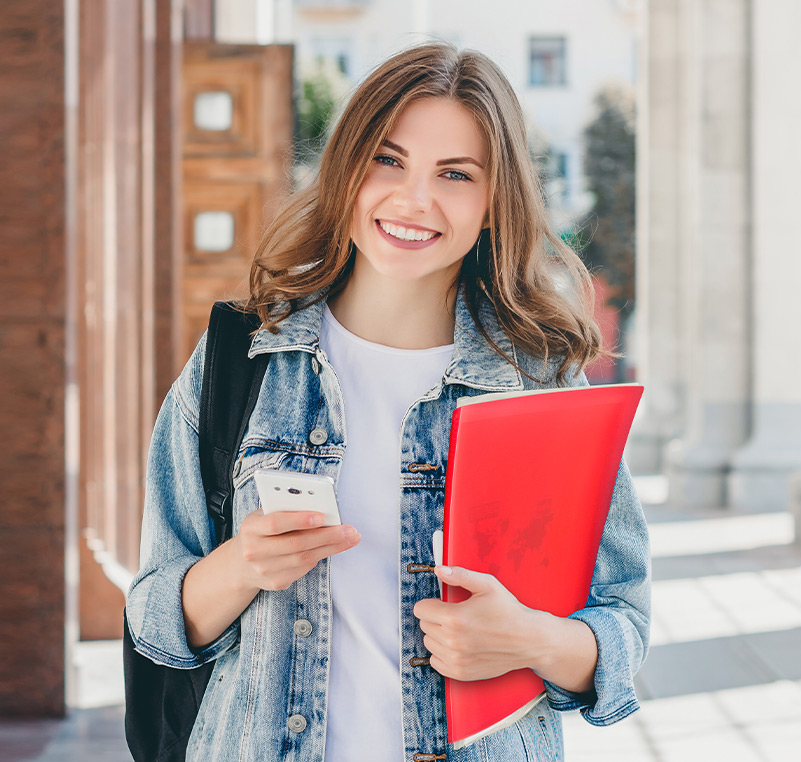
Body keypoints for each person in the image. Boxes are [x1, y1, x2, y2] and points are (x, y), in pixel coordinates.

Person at [126, 42, 650, 762]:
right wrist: (242, 566)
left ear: (495, 202)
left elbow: (623, 623)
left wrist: (532, 640)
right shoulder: (241, 359)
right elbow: (153, 615)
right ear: (347, 170)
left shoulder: (540, 383)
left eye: (456, 174)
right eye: (388, 159)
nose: (414, 199)